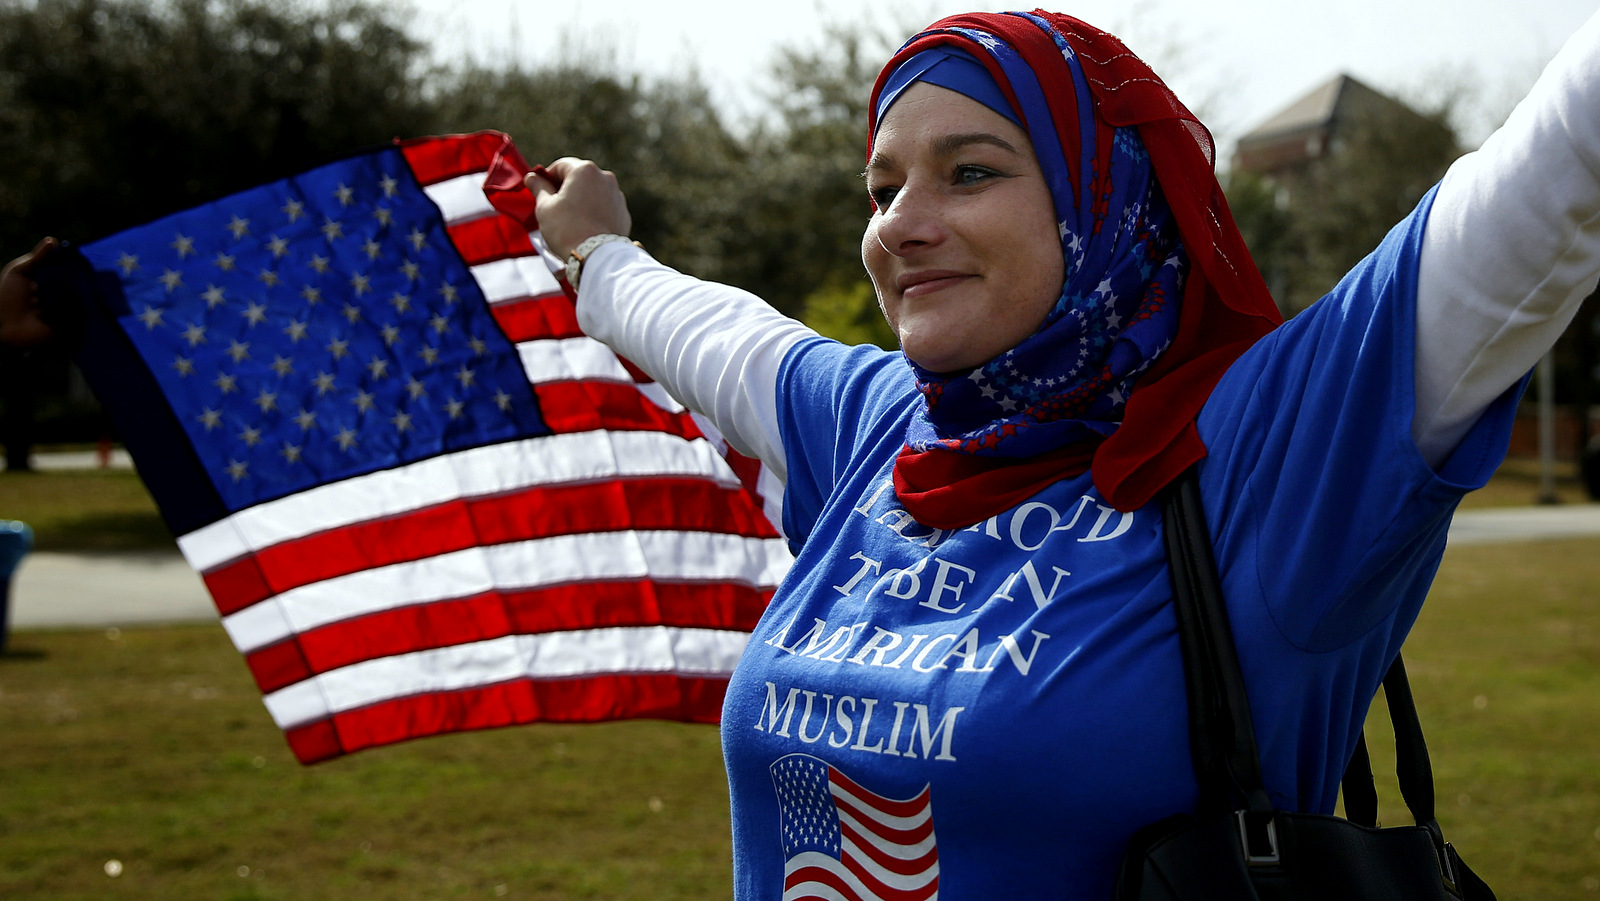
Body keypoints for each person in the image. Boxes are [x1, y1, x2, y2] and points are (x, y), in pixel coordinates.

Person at [527, 9, 1600, 899]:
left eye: (969, 171)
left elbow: (1557, 166)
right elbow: (713, 333)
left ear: (1110, 195)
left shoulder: (1275, 441)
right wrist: (598, 252)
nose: (901, 223)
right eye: (883, 185)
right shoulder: (877, 425)